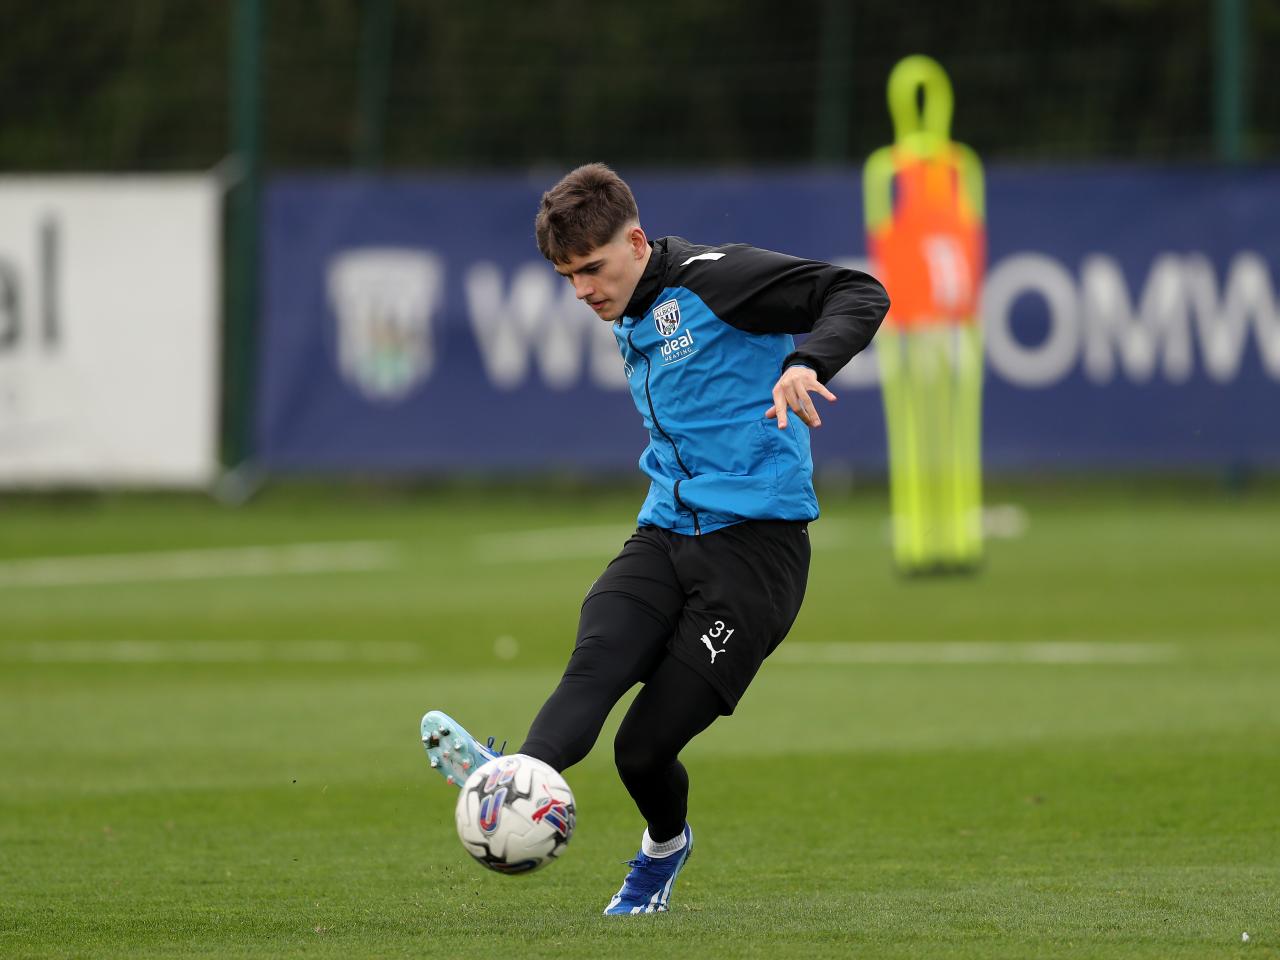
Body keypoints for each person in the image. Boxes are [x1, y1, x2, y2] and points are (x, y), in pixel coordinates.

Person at [422, 162, 888, 914]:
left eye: (592, 269)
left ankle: (663, 848)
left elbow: (859, 292)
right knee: (590, 673)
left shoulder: (719, 279)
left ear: (636, 241)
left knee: (640, 751)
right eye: (568, 277)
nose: (582, 291)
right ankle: (515, 780)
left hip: (756, 557)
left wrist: (807, 362)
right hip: (664, 532)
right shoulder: (630, 303)